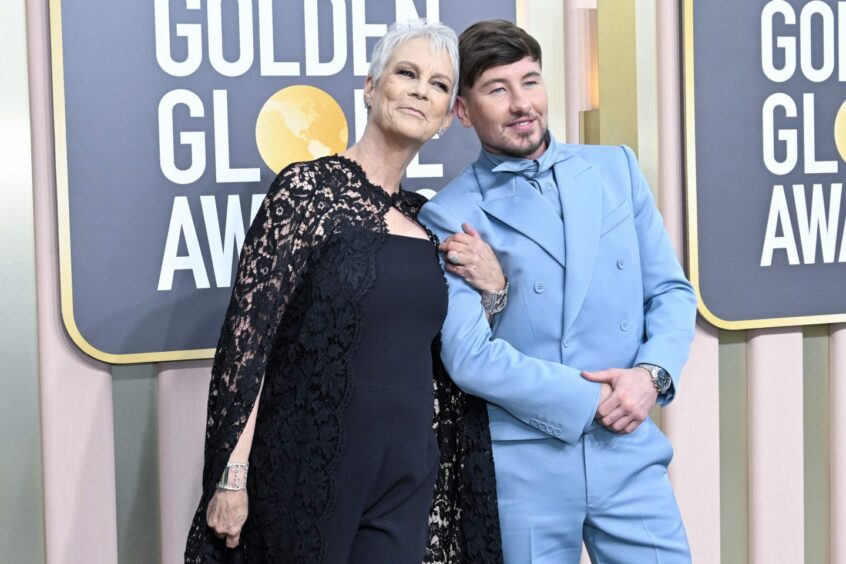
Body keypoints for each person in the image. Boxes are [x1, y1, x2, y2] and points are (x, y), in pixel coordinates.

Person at [184, 20, 504, 564]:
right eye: (406, 73)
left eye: (438, 83)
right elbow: (248, 345)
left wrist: (493, 289)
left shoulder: (430, 219)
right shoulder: (306, 191)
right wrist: (231, 477)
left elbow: (450, 350)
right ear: (371, 86)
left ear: (449, 116)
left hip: (407, 471)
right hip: (309, 461)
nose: (420, 89)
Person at [419, 19, 698, 564]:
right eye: (498, 89)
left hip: (629, 451)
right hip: (526, 468)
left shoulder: (615, 168)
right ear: (463, 110)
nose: (522, 103)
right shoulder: (448, 214)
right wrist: (589, 399)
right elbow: (470, 357)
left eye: (531, 81)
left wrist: (651, 376)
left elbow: (669, 291)